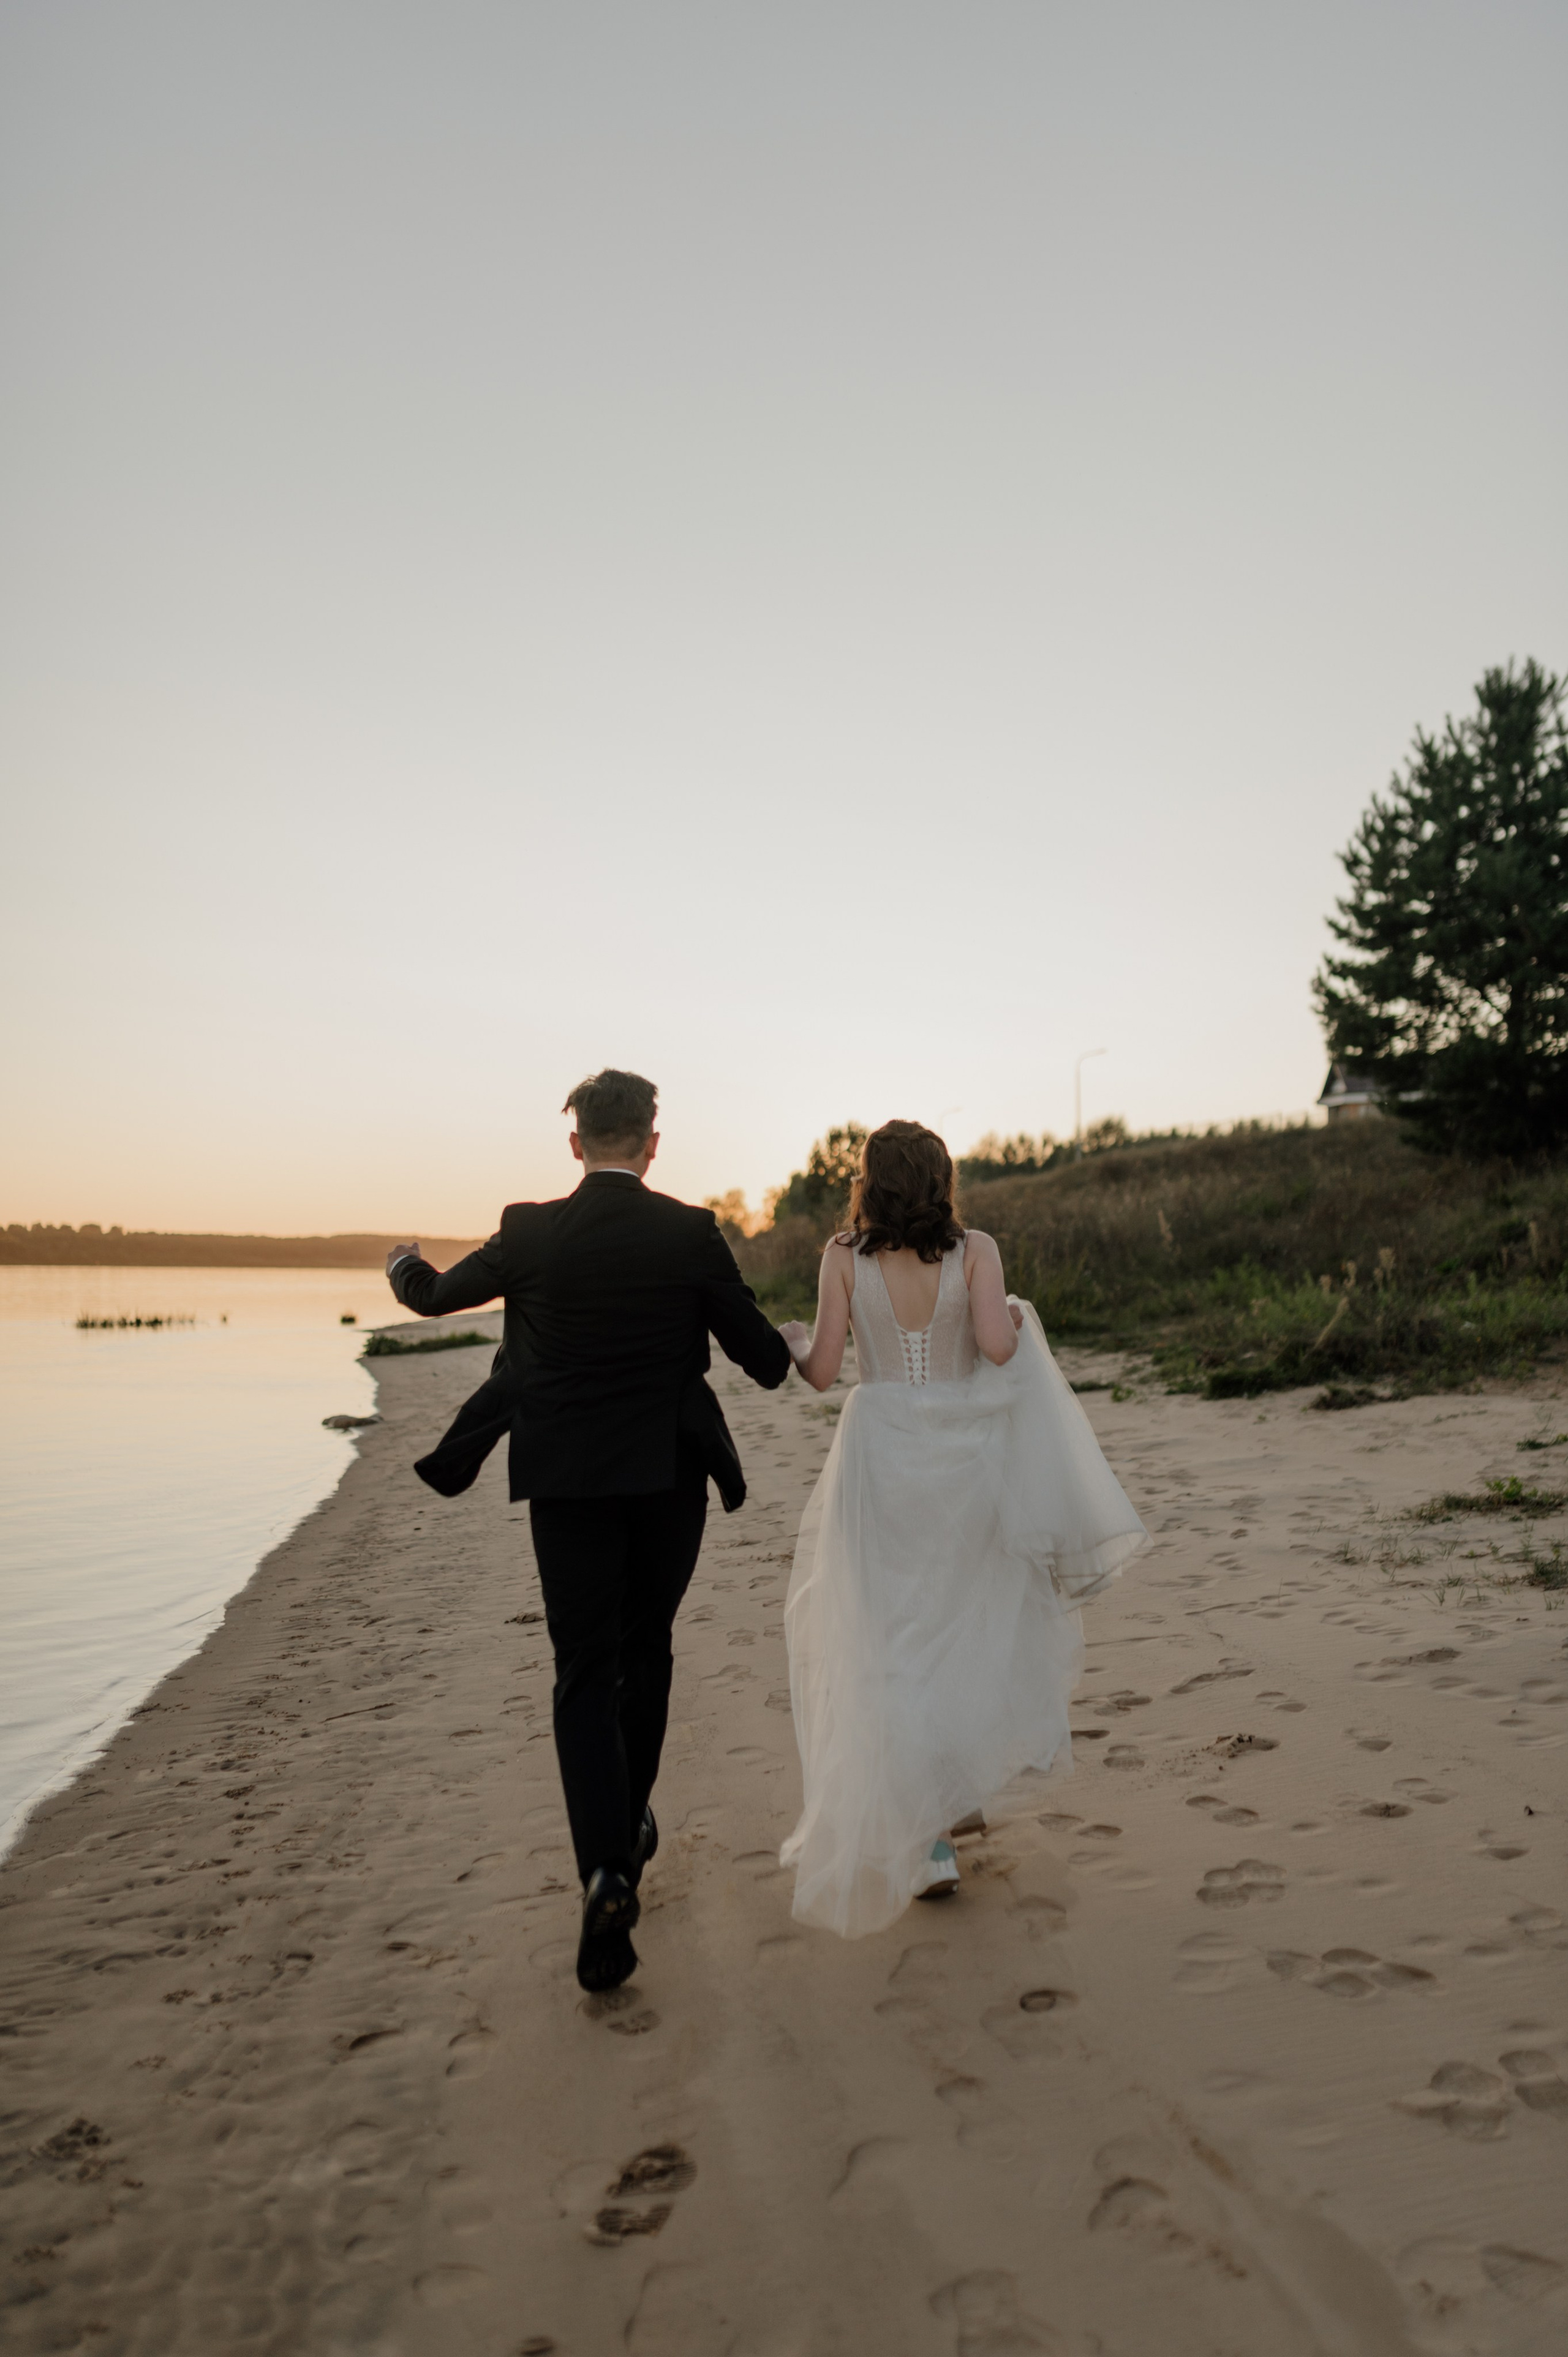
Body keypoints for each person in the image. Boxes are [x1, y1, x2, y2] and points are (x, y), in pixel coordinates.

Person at [383, 1069, 791, 1992]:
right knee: (646, 1651)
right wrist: (789, 1337)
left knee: (581, 1670)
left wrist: (401, 1263)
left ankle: (606, 1866)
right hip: (666, 1481)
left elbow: (435, 1297)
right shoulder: (689, 1232)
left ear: (576, 1145)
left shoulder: (530, 1229)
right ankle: (629, 1825)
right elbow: (762, 1364)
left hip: (566, 1483)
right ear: (653, 1141)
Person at [777, 1120, 1146, 1937]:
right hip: (965, 1457)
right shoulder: (975, 1247)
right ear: (942, 1177)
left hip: (882, 1455)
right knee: (960, 1621)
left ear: (868, 1181)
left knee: (893, 1635)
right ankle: (948, 1801)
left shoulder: (844, 1256)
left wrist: (799, 1344)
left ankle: (932, 1837)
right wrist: (1017, 1318)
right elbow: (996, 1348)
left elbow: (827, 1373)